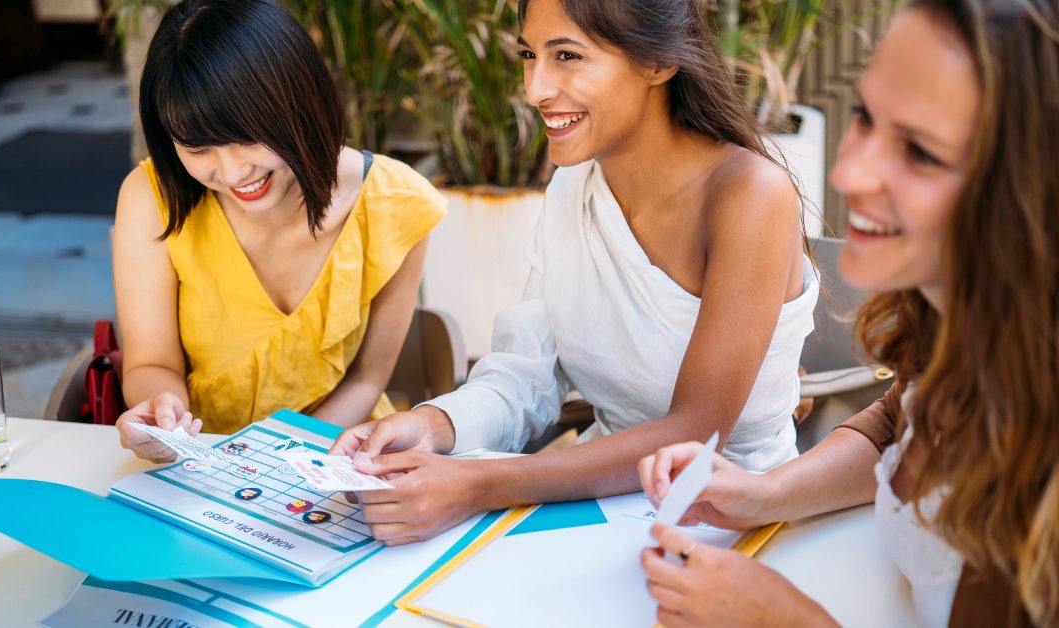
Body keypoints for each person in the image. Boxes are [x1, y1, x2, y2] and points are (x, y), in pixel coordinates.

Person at [638, 1, 1059, 625]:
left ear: (1039, 191)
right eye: (865, 117)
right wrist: (764, 494)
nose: (849, 171)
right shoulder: (961, 318)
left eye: (922, 153)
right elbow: (895, 426)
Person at [331, 0, 820, 545]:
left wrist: (476, 482)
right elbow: (526, 375)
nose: (535, 88)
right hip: (601, 512)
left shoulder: (752, 197)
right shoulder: (572, 186)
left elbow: (696, 434)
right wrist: (431, 425)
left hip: (736, 523)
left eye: (567, 55)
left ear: (657, 62)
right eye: (528, 54)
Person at [113, 0, 446, 462]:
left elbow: (367, 380)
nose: (231, 173)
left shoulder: (397, 203)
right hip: (201, 462)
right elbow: (153, 364)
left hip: (338, 452)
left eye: (245, 135)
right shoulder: (152, 197)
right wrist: (162, 414)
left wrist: (279, 461)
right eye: (198, 147)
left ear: (298, 99)